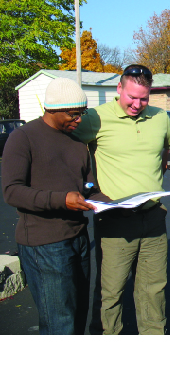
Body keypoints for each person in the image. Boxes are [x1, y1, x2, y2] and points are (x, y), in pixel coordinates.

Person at [73, 65, 170, 335]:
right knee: (111, 292)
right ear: (119, 89)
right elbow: (67, 148)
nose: (137, 104)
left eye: (144, 98)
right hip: (115, 220)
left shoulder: (161, 117)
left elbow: (168, 149)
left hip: (153, 217)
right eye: (131, 97)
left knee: (154, 290)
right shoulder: (95, 118)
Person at [1, 78, 104, 334]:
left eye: (82, 113)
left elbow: (90, 187)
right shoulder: (23, 138)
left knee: (79, 313)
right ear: (53, 109)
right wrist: (62, 199)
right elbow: (12, 192)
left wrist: (119, 203)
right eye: (73, 114)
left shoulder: (77, 142)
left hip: (78, 238)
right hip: (44, 244)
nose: (79, 120)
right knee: (60, 323)